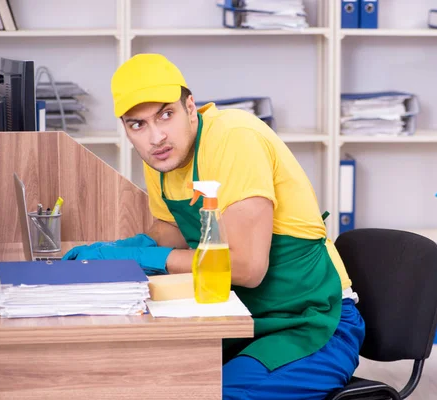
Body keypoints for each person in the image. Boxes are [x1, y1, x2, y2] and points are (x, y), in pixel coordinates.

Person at [63, 53, 365, 400]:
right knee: (135, 378)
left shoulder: (234, 139)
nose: (156, 136)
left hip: (314, 321)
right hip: (239, 317)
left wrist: (146, 257)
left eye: (166, 114)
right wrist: (115, 254)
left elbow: (248, 268)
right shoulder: (162, 159)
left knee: (213, 394)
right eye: (137, 124)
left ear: (190, 108)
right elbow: (169, 238)